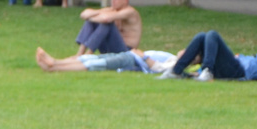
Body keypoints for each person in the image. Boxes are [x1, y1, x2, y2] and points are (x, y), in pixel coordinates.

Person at [159, 31, 257, 81]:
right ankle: (176, 71)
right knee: (201, 37)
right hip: (231, 68)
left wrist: (255, 56)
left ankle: (207, 70)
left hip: (240, 72)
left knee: (213, 35)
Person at [74, 0, 142, 54]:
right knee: (91, 22)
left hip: (126, 51)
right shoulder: (112, 9)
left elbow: (106, 19)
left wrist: (91, 17)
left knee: (107, 24)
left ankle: (88, 54)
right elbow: (84, 14)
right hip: (110, 47)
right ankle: (80, 54)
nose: (113, 1)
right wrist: (94, 15)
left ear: (125, 0)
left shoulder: (130, 12)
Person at [35, 47, 175, 74]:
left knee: (96, 64)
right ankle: (56, 62)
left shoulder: (176, 62)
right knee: (91, 58)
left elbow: (158, 68)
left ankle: (54, 67)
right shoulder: (173, 57)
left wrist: (143, 55)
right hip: (130, 56)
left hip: (133, 61)